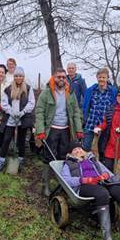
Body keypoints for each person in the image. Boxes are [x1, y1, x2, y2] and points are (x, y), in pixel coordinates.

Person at [35, 68, 83, 196]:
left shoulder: (70, 93)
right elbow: (39, 111)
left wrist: (78, 129)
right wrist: (40, 130)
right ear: (54, 78)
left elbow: (76, 112)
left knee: (63, 157)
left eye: (63, 77)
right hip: (52, 129)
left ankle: (62, 183)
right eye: (58, 77)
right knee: (48, 157)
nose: (61, 79)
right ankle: (45, 184)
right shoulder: (46, 93)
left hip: (66, 130)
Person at [0, 67, 35, 170]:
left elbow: (31, 102)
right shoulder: (8, 88)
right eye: (16, 76)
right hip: (10, 119)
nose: (18, 77)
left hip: (22, 119)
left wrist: (23, 112)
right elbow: (4, 103)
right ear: (14, 77)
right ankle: (1, 160)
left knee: (21, 141)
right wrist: (11, 112)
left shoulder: (28, 88)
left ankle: (20, 160)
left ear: (23, 77)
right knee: (6, 139)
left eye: (20, 76)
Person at [82, 68, 117, 159]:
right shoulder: (91, 90)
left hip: (105, 123)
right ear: (97, 77)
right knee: (86, 145)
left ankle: (102, 166)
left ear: (107, 78)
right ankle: (85, 164)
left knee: (103, 148)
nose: (101, 79)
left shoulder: (112, 91)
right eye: (100, 77)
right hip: (91, 121)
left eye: (104, 77)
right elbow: (85, 105)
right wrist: (84, 117)